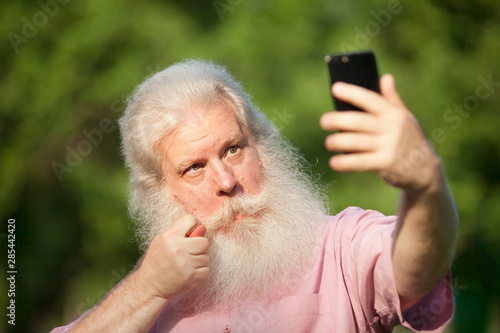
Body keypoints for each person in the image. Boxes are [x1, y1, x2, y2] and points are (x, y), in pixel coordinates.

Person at [51, 59, 458, 332]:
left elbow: (413, 270)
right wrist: (149, 289)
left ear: (261, 147)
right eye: (194, 168)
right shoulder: (151, 301)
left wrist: (424, 185)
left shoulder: (339, 246)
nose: (227, 180)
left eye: (233, 149)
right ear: (160, 192)